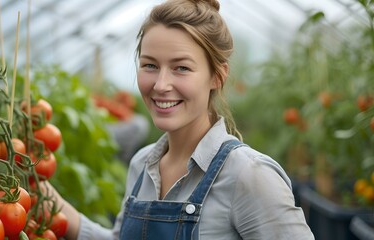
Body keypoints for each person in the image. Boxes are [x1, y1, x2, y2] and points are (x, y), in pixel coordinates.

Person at [42, 0, 315, 239]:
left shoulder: (248, 175)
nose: (161, 85)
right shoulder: (141, 165)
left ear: (217, 76)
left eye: (181, 68)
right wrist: (54, 205)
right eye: (150, 65)